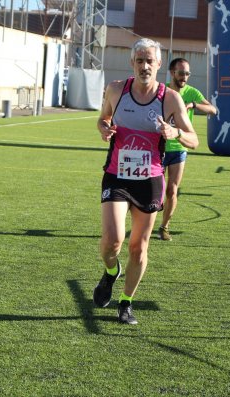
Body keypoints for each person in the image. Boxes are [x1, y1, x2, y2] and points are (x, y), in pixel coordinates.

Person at [93, 38, 199, 325]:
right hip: (116, 175)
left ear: (159, 64)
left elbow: (195, 140)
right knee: (112, 242)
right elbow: (102, 119)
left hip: (150, 179)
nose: (145, 66)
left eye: (150, 60)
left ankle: (126, 302)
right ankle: (110, 273)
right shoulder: (116, 90)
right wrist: (104, 129)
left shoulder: (170, 99)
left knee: (138, 247)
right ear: (132, 63)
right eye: (140, 60)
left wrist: (175, 133)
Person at [158, 58, 217, 241]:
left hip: (179, 147)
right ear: (172, 72)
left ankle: (164, 226)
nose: (184, 77)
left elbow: (213, 109)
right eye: (181, 73)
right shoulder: (162, 90)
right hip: (159, 147)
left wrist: (194, 105)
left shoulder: (192, 93)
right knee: (157, 191)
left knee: (173, 190)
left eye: (187, 73)